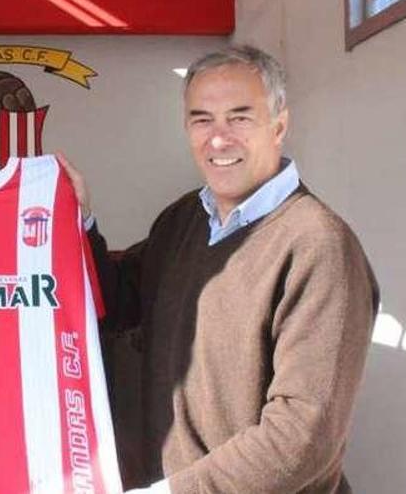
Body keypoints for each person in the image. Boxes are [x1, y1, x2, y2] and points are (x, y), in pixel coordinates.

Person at [59, 45, 379, 493]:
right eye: (202, 119)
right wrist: (79, 219)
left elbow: (304, 436)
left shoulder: (318, 245)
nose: (219, 138)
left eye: (240, 117)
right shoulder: (182, 221)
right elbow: (117, 304)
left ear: (279, 126)